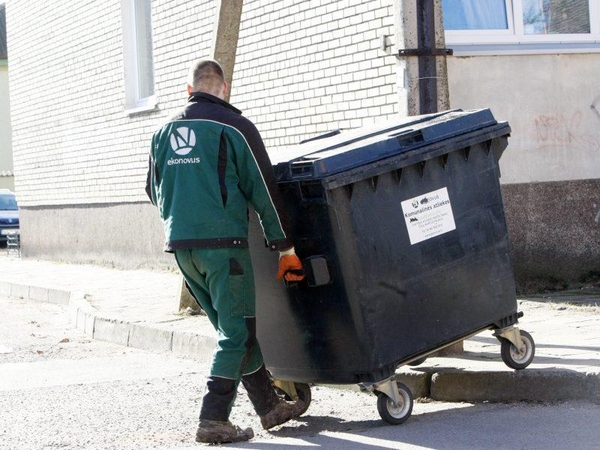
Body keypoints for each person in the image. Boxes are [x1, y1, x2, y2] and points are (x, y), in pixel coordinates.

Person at [146, 59, 305, 444]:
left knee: (232, 331)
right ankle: (213, 418)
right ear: (224, 88)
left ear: (189, 90)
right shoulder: (235, 127)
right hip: (224, 249)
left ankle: (269, 406)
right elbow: (263, 189)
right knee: (236, 333)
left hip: (183, 250)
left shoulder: (162, 132)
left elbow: (153, 189)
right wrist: (284, 244)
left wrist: (184, 221)